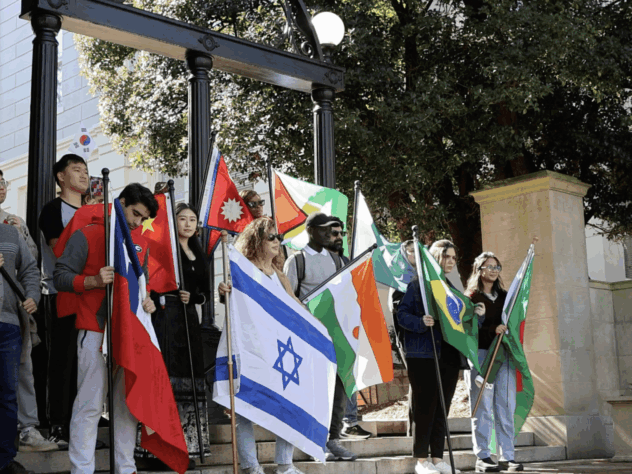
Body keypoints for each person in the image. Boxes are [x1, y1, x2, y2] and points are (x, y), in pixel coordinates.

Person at [54, 183, 158, 474]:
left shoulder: (141, 244)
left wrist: (148, 301)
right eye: (135, 213)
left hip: (130, 333)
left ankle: (125, 468)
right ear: (120, 202)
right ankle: (82, 470)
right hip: (95, 329)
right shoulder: (87, 233)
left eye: (143, 218)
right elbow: (59, 277)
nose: (138, 222)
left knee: (126, 406)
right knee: (89, 404)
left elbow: (143, 289)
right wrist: (93, 281)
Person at [218, 217, 306, 474]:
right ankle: (250, 466)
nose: (277, 241)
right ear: (257, 241)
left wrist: (319, 330)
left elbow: (296, 309)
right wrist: (224, 291)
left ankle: (285, 464)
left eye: (278, 237)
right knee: (244, 408)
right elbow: (231, 298)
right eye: (271, 237)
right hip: (249, 350)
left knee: (288, 405)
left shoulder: (280, 277)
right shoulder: (242, 270)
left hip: (279, 352)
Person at [397, 239, 484, 474]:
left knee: (441, 409)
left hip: (447, 356)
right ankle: (421, 461)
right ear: (436, 257)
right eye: (448, 257)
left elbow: (460, 316)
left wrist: (476, 313)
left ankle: (437, 458)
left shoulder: (450, 288)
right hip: (423, 355)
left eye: (454, 258)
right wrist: (419, 322)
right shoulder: (418, 285)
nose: (452, 262)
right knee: (424, 407)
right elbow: (401, 314)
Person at [140, 202, 210, 467]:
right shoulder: (163, 249)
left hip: (189, 319)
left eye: (193, 219)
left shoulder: (199, 253)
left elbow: (204, 292)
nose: (189, 224)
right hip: (165, 317)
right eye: (183, 219)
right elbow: (151, 283)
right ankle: (157, 450)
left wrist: (193, 297)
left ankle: (187, 448)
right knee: (165, 379)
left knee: (187, 379)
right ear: (174, 222)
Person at [283, 212, 356, 461]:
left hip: (336, 337)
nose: (328, 233)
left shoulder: (338, 260)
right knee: (314, 391)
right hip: (309, 338)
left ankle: (333, 439)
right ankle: (315, 440)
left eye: (331, 230)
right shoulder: (297, 261)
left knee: (338, 390)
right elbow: (287, 299)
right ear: (311, 230)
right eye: (323, 229)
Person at [0, 171, 57, 452]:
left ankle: (25, 432)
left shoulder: (12, 227)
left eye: (2, 183)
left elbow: (30, 265)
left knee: (17, 377)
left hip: (11, 318)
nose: (0, 188)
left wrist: (32, 296)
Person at [38, 154, 89, 449]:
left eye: (85, 170)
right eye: (76, 170)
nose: (83, 175)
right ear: (60, 176)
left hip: (90, 296)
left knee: (87, 363)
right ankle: (58, 423)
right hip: (62, 294)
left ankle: (83, 422)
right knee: (63, 362)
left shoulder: (94, 209)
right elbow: (61, 252)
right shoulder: (52, 210)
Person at [465, 253, 523, 473]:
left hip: (503, 356)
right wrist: (491, 329)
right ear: (478, 269)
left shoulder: (506, 297)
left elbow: (514, 322)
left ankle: (507, 456)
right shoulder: (470, 297)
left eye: (497, 266)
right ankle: (483, 456)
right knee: (482, 406)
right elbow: (466, 329)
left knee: (505, 406)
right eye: (488, 266)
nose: (493, 270)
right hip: (480, 356)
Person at [325, 218, 372, 440]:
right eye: (334, 233)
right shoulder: (313, 261)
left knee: (348, 374)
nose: (339, 237)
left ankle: (350, 421)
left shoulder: (345, 261)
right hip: (323, 330)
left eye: (341, 233)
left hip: (346, 328)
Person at [0, 223, 41, 474]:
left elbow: (29, 270)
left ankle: (4, 460)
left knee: (7, 395)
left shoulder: (10, 232)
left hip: (8, 324)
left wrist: (32, 295)